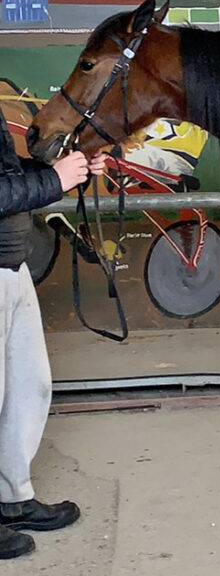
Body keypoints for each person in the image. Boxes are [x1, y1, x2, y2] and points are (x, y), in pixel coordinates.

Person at [0, 110, 106, 559]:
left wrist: (68, 170)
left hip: (11, 264)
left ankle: (12, 498)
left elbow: (7, 175)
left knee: (29, 384)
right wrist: (54, 181)